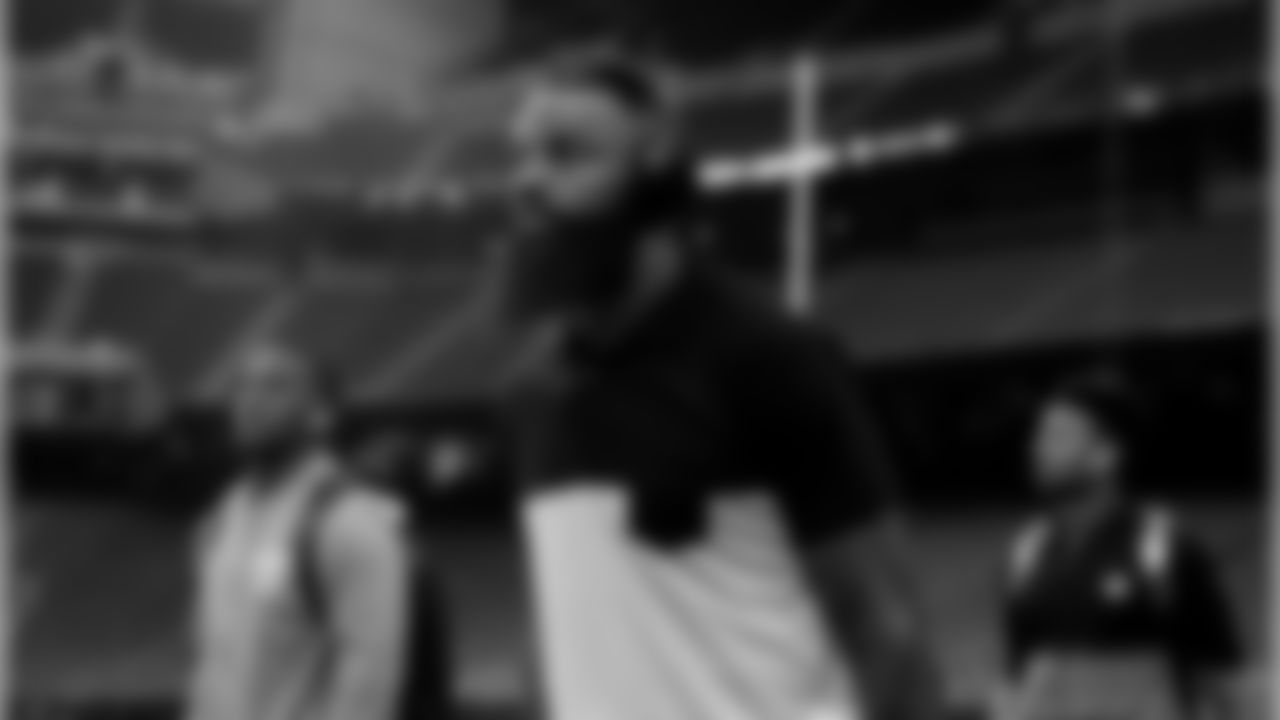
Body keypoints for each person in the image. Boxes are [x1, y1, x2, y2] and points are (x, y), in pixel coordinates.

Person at [496, 54, 948, 720]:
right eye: (522, 156)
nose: (528, 181)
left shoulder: (769, 355)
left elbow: (890, 630)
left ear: (656, 164)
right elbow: (554, 630)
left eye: (567, 154)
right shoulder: (532, 389)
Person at [998, 372, 1245, 720]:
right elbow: (1016, 685)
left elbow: (1223, 683)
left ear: (1107, 454)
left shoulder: (1163, 549)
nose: (1037, 447)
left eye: (1058, 435)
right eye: (1039, 434)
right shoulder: (1027, 552)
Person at [185, 345, 411, 720]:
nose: (250, 400)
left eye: (275, 386)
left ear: (322, 415)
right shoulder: (223, 517)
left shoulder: (347, 521)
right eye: (241, 385)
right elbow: (211, 667)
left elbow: (369, 682)